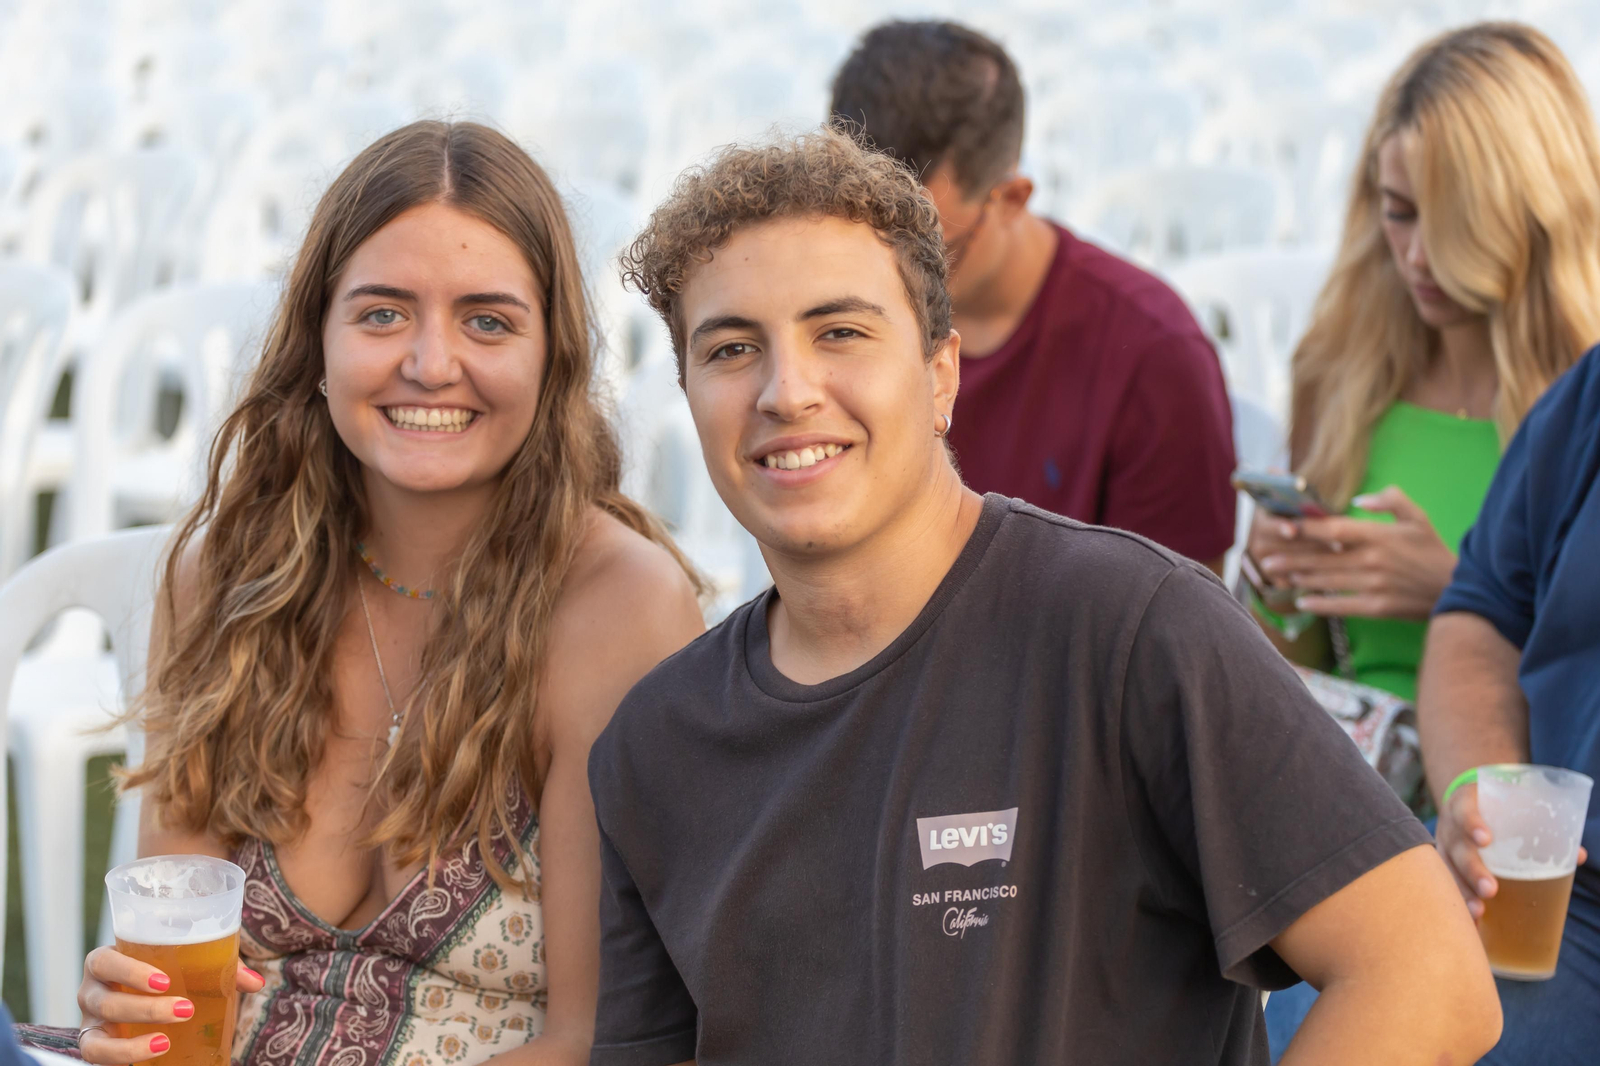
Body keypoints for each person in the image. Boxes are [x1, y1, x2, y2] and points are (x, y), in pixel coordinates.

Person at [585, 129, 1499, 1066]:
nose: (788, 391)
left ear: (940, 374)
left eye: (841, 333)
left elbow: (1427, 975)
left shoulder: (1134, 631)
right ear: (688, 393)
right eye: (732, 348)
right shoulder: (655, 747)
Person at [16, 121, 705, 1066]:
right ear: (318, 339)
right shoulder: (226, 575)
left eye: (488, 321)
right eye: (382, 315)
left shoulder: (617, 605)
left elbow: (597, 1041)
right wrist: (127, 1006)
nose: (430, 363)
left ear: (553, 355)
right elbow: (170, 967)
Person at [1244, 22, 1600, 703]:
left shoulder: (1582, 402)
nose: (1417, 257)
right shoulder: (1340, 373)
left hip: (1518, 762)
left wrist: (1461, 598)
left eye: (1454, 223)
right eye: (1399, 213)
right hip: (1350, 753)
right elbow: (1293, 675)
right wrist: (1278, 583)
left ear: (1533, 212)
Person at [828, 20, 1236, 572]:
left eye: (923, 249)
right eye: (858, 237)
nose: (883, 277)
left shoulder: (1151, 355)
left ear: (1013, 199)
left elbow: (1177, 613)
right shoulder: (827, 318)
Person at [1419, 343, 1600, 1063]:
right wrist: (1476, 787)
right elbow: (1484, 613)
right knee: (1320, 993)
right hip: (1552, 888)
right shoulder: (1588, 394)